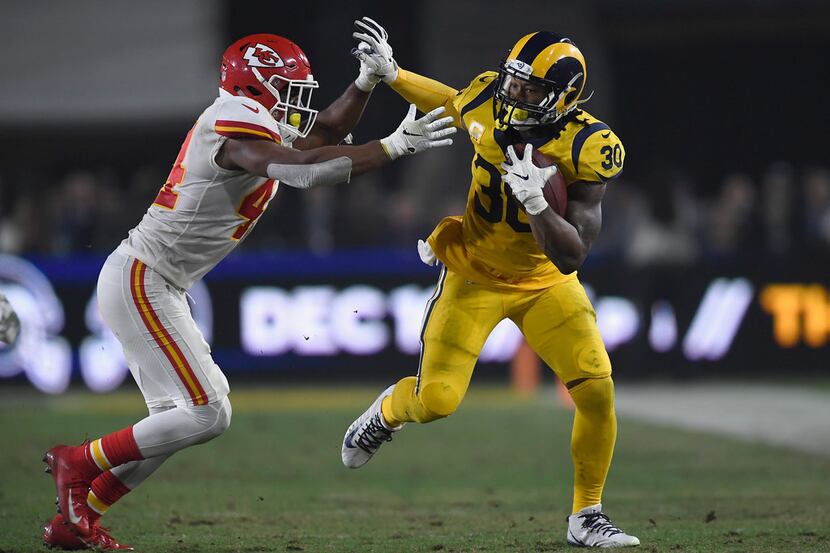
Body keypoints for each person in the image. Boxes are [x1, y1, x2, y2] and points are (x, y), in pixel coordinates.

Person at [42, 32, 456, 551]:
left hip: (154, 280)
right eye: (285, 86)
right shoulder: (232, 122)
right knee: (208, 412)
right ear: (253, 82)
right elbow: (302, 170)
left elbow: (322, 132)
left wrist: (366, 82)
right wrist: (393, 147)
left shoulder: (249, 119)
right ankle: (77, 462)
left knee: (173, 424)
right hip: (143, 277)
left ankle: (77, 521)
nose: (295, 99)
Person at [340, 18, 639, 548]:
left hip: (544, 281)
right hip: (473, 273)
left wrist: (538, 203)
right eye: (513, 81)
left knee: (596, 389)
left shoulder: (590, 146)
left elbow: (572, 256)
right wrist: (392, 74)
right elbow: (454, 101)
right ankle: (387, 411)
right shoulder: (489, 100)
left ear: (564, 96)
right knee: (437, 401)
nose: (514, 93)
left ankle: (586, 515)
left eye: (529, 88)